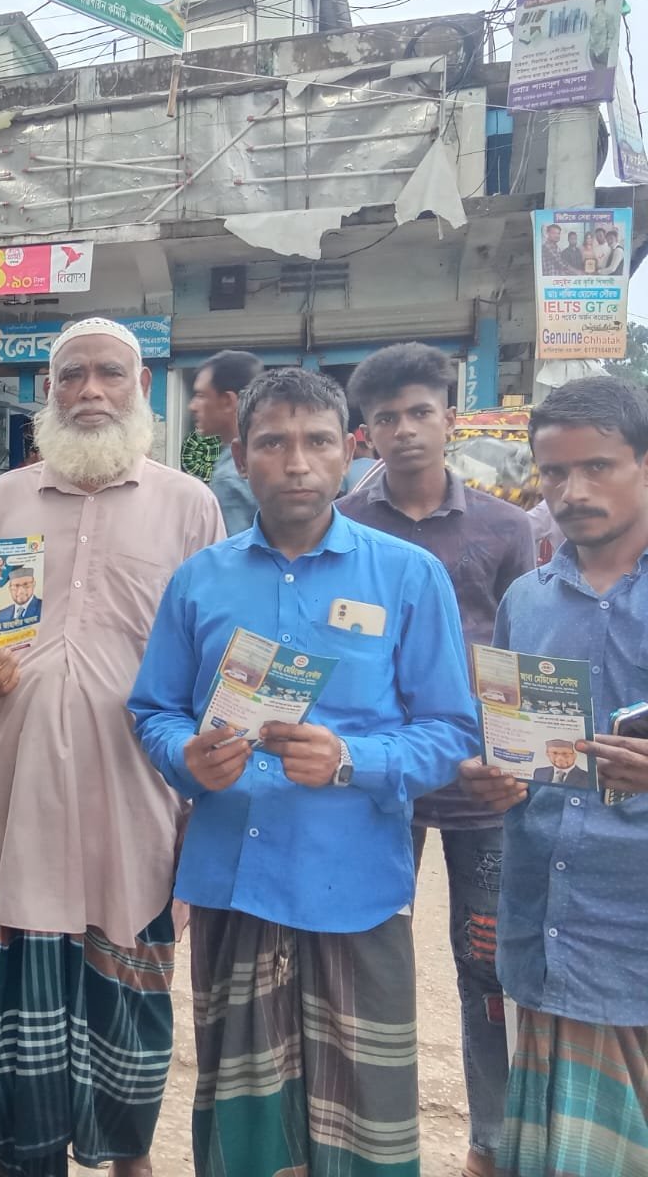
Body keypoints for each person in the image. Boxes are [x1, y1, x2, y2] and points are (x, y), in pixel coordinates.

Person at [129, 367, 479, 1177]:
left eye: (318, 441)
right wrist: (185, 757)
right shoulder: (200, 580)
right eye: (273, 443)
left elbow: (451, 729)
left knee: (367, 1119)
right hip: (235, 882)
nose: (296, 462)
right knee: (245, 1116)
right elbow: (153, 710)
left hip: (354, 887)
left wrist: (353, 760)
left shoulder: (406, 575)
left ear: (350, 452)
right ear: (240, 457)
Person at [0, 318, 225, 1177]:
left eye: (109, 373)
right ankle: (18, 1153)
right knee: (20, 972)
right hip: (21, 783)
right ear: (48, 392)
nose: (90, 390)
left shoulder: (188, 505)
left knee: (127, 979)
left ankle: (127, 1153)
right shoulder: (6, 499)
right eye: (71, 375)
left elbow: (216, 651)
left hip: (137, 790)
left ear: (142, 388)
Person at [338, 341, 537, 1177]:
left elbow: (522, 656)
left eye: (420, 412)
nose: (405, 430)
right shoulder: (345, 525)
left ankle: (489, 1143)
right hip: (377, 784)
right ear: (366, 433)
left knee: (486, 968)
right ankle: (360, 1137)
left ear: (450, 418)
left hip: (480, 788)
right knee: (365, 959)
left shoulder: (507, 527)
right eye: (386, 418)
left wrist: (517, 762)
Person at [456, 376, 648, 1175]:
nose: (573, 492)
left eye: (598, 466)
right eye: (555, 472)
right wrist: (490, 776)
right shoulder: (527, 602)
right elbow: (512, 741)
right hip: (545, 922)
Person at [187, 349, 263, 534]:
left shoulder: (229, 478)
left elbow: (234, 547)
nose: (192, 406)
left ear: (228, 401)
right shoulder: (269, 456)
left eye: (201, 396)